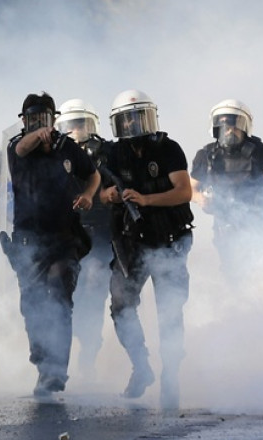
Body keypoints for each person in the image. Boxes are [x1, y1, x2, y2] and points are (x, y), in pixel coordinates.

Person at [98, 89, 194, 410]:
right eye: (126, 120)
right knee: (121, 306)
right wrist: (110, 195)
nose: (133, 126)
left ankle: (172, 374)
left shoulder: (168, 149)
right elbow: (98, 193)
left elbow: (183, 192)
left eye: (139, 118)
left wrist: (147, 199)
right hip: (131, 243)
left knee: (170, 310)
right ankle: (141, 366)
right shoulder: (111, 154)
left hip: (169, 238)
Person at [2, 92, 100, 398]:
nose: (38, 124)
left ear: (53, 119)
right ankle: (42, 363)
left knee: (59, 299)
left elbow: (93, 174)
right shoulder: (17, 147)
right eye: (31, 119)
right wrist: (36, 135)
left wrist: (88, 195)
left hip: (64, 239)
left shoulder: (66, 147)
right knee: (32, 305)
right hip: (29, 241)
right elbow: (20, 148)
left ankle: (56, 371)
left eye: (43, 118)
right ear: (24, 121)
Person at [190, 99, 263, 283]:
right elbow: (191, 188)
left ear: (244, 127)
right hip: (225, 222)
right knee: (233, 272)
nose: (229, 130)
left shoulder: (260, 150)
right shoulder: (206, 155)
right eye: (225, 126)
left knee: (261, 268)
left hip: (258, 218)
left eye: (235, 125)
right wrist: (200, 199)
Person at [54, 98, 111, 381]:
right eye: (71, 126)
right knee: (65, 296)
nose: (77, 131)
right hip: (67, 236)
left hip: (99, 236)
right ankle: (61, 359)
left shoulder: (105, 155)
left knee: (94, 292)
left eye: (82, 124)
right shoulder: (54, 158)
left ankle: (88, 356)